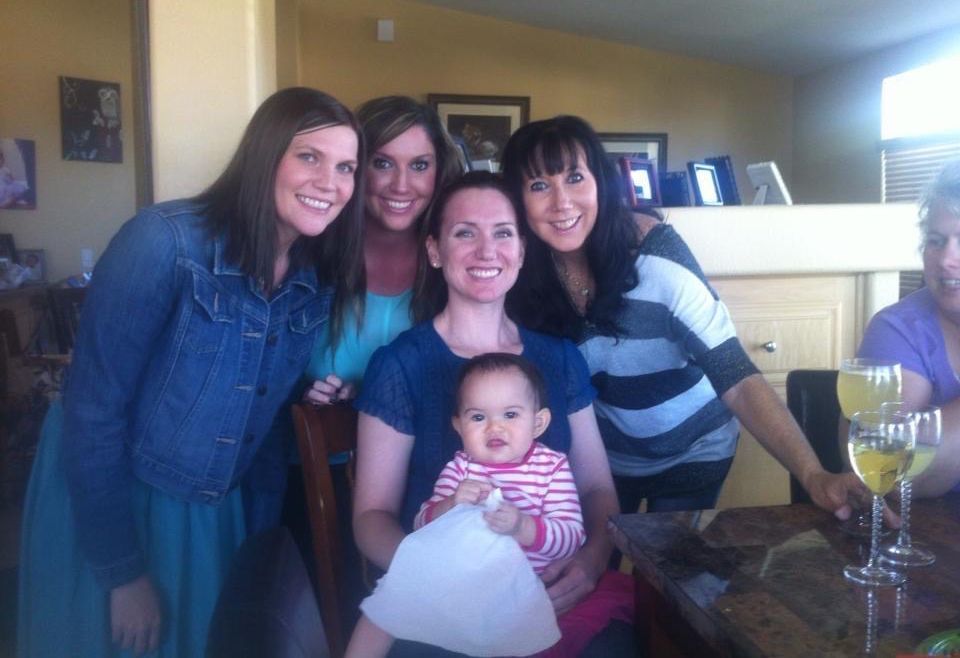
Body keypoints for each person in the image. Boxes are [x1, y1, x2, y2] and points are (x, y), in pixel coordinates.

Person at [17, 87, 365, 658]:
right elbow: (93, 409)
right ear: (265, 155)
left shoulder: (314, 275)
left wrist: (320, 394)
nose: (330, 182)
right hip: (117, 498)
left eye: (346, 167)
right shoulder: (163, 241)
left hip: (213, 507)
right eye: (309, 157)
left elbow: (256, 403)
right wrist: (121, 573)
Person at [501, 115, 867, 517]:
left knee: (668, 558)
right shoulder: (520, 273)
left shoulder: (656, 255)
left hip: (694, 451)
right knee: (603, 557)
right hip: (604, 459)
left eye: (574, 178)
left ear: (600, 183)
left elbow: (736, 377)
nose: (562, 202)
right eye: (539, 186)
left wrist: (813, 475)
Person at [352, 172, 633, 656]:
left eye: (503, 233)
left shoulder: (561, 359)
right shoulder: (400, 365)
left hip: (553, 592)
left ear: (521, 251)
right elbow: (371, 517)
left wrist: (591, 562)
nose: (487, 251)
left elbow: (596, 488)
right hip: (442, 600)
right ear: (435, 250)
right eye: (465, 233)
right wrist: (439, 578)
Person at [346, 352, 586, 658]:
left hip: (519, 589)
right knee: (387, 601)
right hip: (456, 580)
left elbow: (571, 537)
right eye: (478, 417)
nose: (494, 427)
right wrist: (450, 503)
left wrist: (523, 527)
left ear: (538, 423)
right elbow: (422, 524)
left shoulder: (551, 468)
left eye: (510, 415)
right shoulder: (461, 468)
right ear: (459, 427)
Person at [302, 96, 461, 405]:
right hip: (313, 435)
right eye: (382, 163)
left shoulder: (459, 265)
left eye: (419, 165)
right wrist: (301, 394)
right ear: (354, 167)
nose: (401, 185)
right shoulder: (309, 257)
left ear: (439, 171)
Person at [857, 160, 960, 498]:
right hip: (929, 527)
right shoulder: (898, 330)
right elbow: (889, 475)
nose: (945, 259)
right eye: (936, 241)